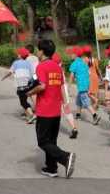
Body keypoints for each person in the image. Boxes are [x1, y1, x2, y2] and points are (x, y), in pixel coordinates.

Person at [27, 40, 76, 178]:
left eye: (38, 50)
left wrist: (30, 93)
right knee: (51, 141)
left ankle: (66, 157)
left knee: (43, 141)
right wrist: (64, 103)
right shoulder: (57, 67)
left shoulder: (41, 66)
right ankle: (51, 168)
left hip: (45, 110)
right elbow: (60, 87)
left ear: (42, 52)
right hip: (55, 110)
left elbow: (42, 86)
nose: (37, 52)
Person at [1, 48, 37, 124]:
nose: (17, 55)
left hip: (20, 86)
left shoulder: (15, 63)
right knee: (24, 100)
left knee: (23, 102)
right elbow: (34, 74)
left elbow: (10, 72)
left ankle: (31, 115)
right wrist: (34, 82)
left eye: (18, 54)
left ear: (20, 55)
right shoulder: (29, 63)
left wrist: (4, 77)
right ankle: (29, 117)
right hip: (28, 85)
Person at [68, 46, 101, 125]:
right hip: (86, 84)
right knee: (78, 100)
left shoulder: (74, 63)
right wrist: (89, 86)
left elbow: (72, 76)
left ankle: (95, 115)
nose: (70, 55)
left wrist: (69, 86)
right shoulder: (83, 63)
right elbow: (88, 74)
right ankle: (78, 115)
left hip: (82, 86)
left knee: (86, 103)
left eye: (72, 54)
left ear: (75, 55)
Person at [53, 53, 78, 139]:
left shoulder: (53, 70)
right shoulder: (61, 70)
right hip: (64, 92)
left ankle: (52, 129)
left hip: (58, 93)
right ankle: (74, 128)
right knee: (67, 111)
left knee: (54, 112)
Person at [82, 45, 101, 112]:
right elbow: (98, 69)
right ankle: (95, 105)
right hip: (95, 76)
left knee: (88, 92)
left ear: (84, 53)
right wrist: (100, 77)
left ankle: (95, 102)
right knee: (95, 91)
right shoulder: (95, 60)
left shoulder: (83, 60)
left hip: (88, 77)